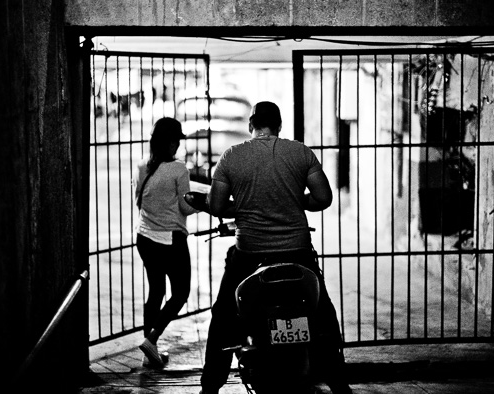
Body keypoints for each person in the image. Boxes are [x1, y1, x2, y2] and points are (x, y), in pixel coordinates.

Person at [199, 102, 351, 393]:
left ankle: (210, 388)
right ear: (279, 126)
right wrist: (294, 200)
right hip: (298, 253)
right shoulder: (300, 152)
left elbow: (217, 205)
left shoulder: (232, 156)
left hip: (249, 255)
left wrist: (245, 206)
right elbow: (323, 198)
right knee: (323, 318)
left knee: (224, 319)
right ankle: (339, 384)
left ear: (251, 126)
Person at [133, 117, 199, 367]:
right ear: (170, 143)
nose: (178, 147)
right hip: (171, 240)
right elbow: (185, 205)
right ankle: (152, 339)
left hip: (145, 237)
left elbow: (139, 200)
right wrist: (202, 205)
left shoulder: (142, 166)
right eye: (176, 141)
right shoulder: (179, 169)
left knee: (156, 292)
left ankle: (149, 354)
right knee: (180, 293)